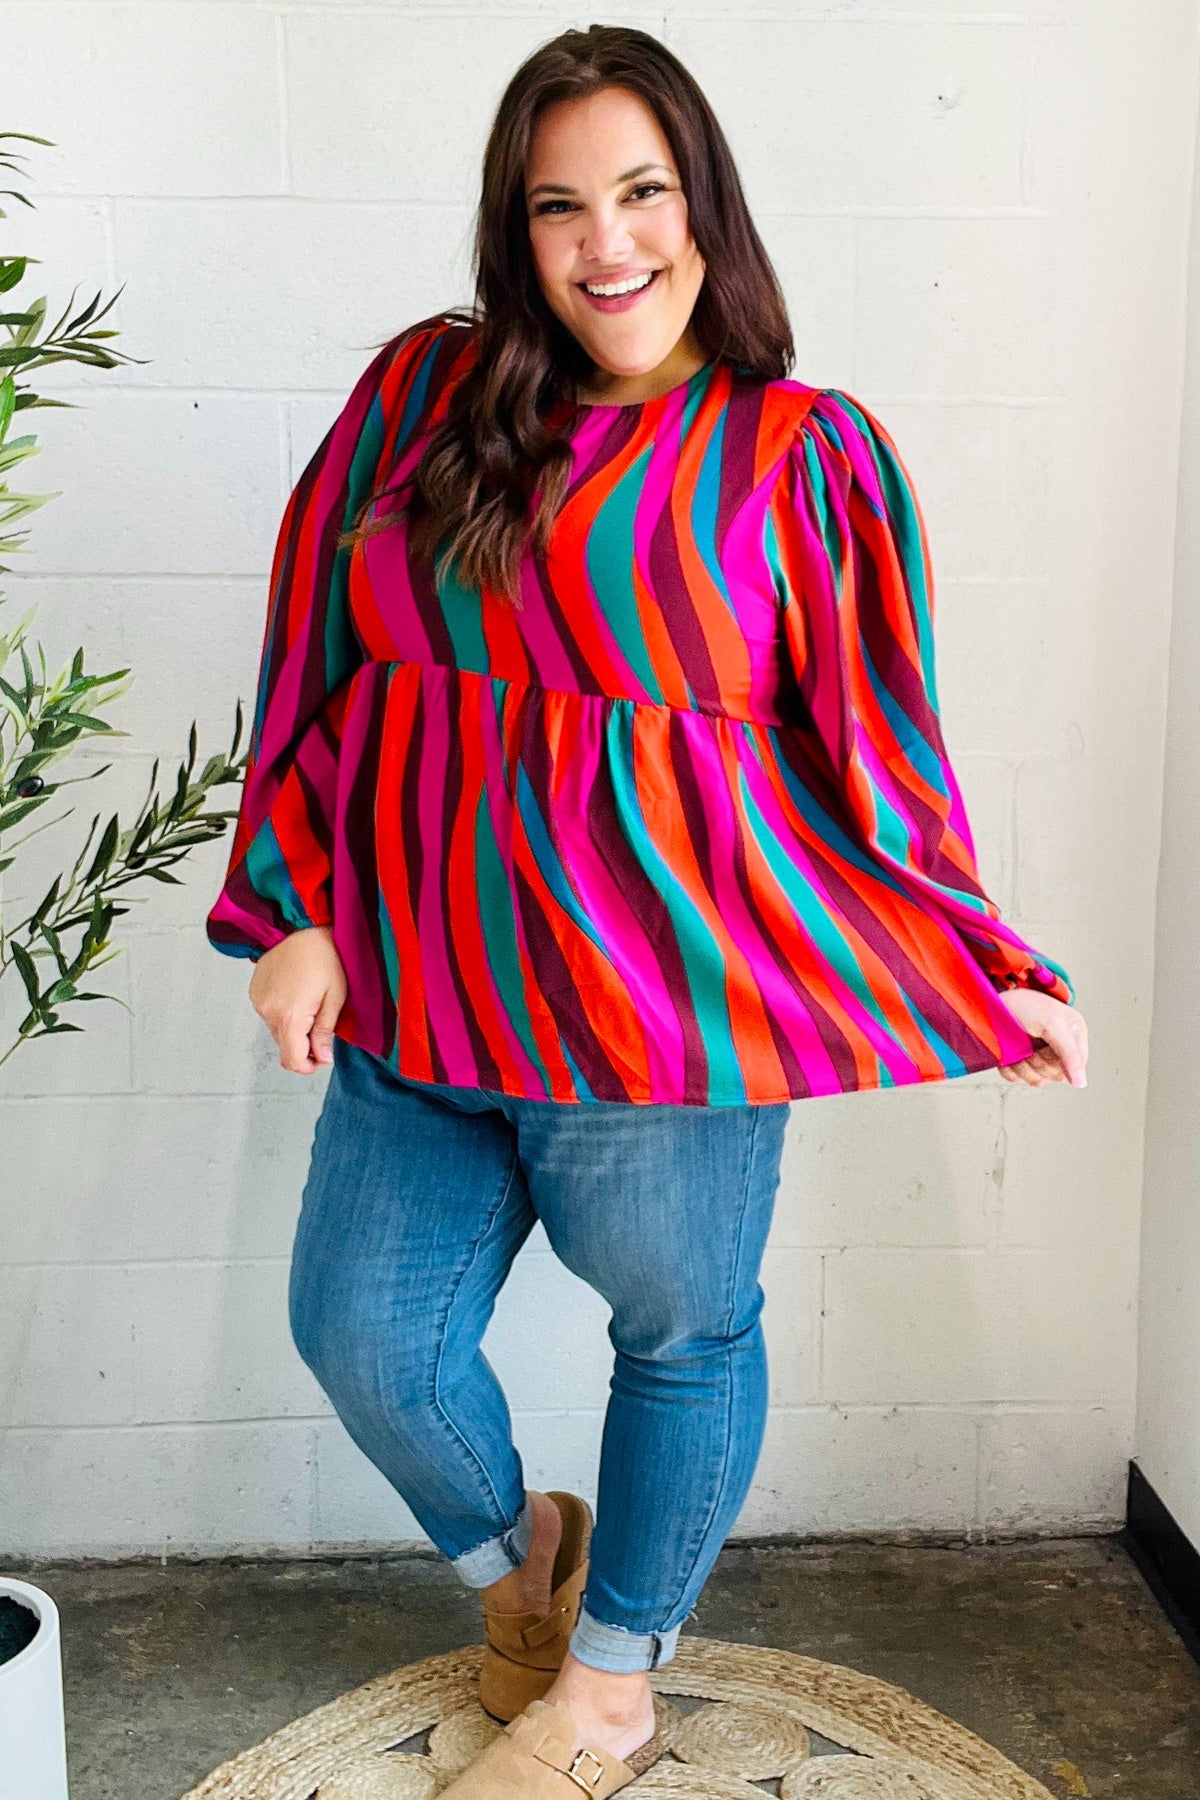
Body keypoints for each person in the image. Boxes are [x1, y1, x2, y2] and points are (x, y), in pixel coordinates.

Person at [205, 23, 1090, 1797]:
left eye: (642, 193)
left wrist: (987, 961)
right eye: (560, 207)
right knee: (362, 1333)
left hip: (661, 1025)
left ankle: (609, 1688)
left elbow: (878, 738)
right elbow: (316, 656)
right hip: (417, 993)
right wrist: (292, 906)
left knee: (681, 1337)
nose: (607, 244)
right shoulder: (422, 397)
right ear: (513, 229)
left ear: (706, 210)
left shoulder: (803, 452)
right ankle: (523, 1558)